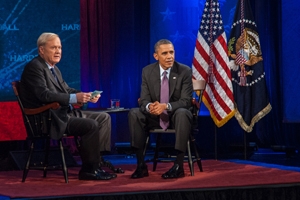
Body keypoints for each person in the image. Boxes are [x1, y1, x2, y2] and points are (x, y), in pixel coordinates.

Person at [19, 32, 123, 181]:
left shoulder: (53, 68)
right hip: (47, 119)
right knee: (91, 125)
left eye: (60, 47)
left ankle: (96, 163)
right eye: (53, 47)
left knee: (103, 118)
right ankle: (89, 170)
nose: (58, 51)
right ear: (41, 50)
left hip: (62, 114)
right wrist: (74, 98)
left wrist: (84, 95)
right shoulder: (34, 67)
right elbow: (44, 95)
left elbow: (66, 90)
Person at [128, 39, 193, 179]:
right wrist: (149, 106)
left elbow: (186, 101)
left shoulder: (184, 71)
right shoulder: (147, 71)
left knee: (183, 113)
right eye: (165, 53)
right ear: (156, 56)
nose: (170, 56)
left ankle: (178, 165)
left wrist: (166, 106)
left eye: (172, 52)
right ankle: (140, 165)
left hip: (176, 117)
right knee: (134, 113)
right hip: (154, 117)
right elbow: (143, 99)